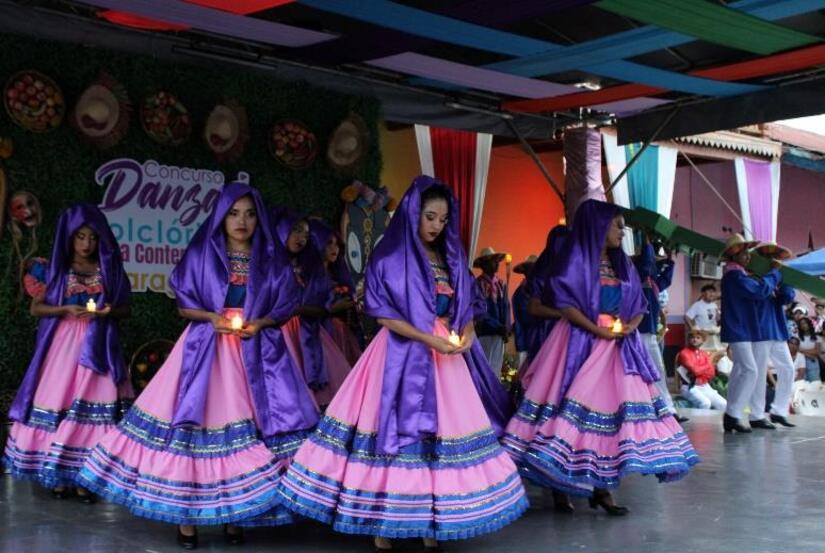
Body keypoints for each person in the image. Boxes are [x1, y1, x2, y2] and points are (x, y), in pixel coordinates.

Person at [277, 176, 527, 551]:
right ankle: (385, 520)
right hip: (400, 353)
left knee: (439, 440)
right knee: (393, 432)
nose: (436, 225)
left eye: (443, 219)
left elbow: (466, 309)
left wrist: (467, 333)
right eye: (430, 216)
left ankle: (430, 520)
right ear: (413, 213)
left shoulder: (450, 259)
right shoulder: (391, 256)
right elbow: (383, 314)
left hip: (445, 361)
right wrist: (429, 339)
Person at [78, 183, 320, 549]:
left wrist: (263, 323)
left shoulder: (271, 258)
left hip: (257, 352)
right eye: (234, 213)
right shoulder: (202, 253)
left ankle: (238, 516)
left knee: (254, 430)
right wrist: (210, 317)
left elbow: (286, 303)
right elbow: (184, 304)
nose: (241, 221)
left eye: (250, 214)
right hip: (208, 349)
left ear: (259, 219)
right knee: (196, 430)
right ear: (221, 216)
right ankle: (187, 520)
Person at [502, 200, 698, 516]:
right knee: (571, 413)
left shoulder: (623, 265)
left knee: (608, 420)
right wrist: (597, 329)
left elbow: (639, 303)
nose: (622, 231)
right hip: (579, 344)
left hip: (617, 348)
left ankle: (603, 488)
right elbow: (565, 304)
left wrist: (629, 327)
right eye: (616, 224)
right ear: (598, 226)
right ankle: (561, 486)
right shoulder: (577, 261)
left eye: (622, 225)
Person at [4, 204, 132, 501]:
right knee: (59, 403)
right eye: (80, 237)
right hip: (64, 346)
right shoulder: (56, 269)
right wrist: (64, 309)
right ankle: (58, 474)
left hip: (99, 345)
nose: (87, 244)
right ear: (70, 237)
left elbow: (125, 309)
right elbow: (36, 308)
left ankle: (87, 477)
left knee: (93, 409)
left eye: (93, 237)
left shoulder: (109, 269)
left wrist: (109, 312)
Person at [274, 210, 351, 408]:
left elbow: (321, 306)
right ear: (283, 229)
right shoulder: (270, 263)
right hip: (280, 330)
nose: (301, 237)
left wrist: (300, 309)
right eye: (296, 230)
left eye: (306, 234)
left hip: (309, 330)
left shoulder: (310, 267)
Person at [720, 234, 783, 433]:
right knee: (750, 370)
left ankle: (732, 414)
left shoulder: (737, 275)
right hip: (739, 328)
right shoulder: (735, 276)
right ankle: (732, 415)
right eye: (744, 253)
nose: (748, 257)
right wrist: (774, 274)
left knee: (741, 370)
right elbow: (759, 291)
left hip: (742, 328)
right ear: (734, 255)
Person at [634, 237, 685, 422]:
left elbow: (666, 279)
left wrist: (670, 260)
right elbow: (646, 265)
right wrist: (647, 240)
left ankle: (667, 409)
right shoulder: (639, 275)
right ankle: (661, 409)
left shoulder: (653, 283)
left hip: (649, 331)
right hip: (638, 331)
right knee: (649, 371)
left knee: (658, 370)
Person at [752, 242, 797, 427]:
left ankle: (778, 411)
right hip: (760, 329)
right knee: (759, 372)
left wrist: (785, 280)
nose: (774, 260)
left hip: (777, 329)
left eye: (776, 257)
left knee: (788, 369)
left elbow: (787, 298)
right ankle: (756, 415)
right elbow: (761, 292)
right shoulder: (753, 276)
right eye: (770, 257)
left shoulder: (776, 276)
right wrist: (774, 274)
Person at [308, 218, 363, 366]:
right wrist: (332, 308)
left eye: (337, 244)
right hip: (320, 335)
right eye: (329, 243)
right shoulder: (308, 276)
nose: (335, 248)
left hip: (343, 335)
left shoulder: (338, 273)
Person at [523, 225, 569, 367]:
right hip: (546, 330)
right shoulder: (542, 273)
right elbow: (533, 307)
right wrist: (563, 314)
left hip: (568, 330)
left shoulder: (571, 270)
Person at [473, 246, 511, 376]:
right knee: (484, 367)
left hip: (499, 333)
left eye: (497, 261)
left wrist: (506, 327)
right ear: (483, 265)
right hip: (485, 332)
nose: (496, 264)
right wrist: (497, 326)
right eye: (493, 261)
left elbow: (506, 306)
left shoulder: (501, 284)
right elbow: (479, 311)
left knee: (496, 366)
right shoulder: (478, 284)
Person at [676, 329, 727, 410]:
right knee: (705, 403)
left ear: (703, 340)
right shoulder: (684, 353)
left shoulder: (704, 354)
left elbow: (711, 373)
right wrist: (708, 364)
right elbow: (695, 371)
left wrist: (701, 369)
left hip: (705, 386)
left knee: (723, 404)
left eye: (698, 338)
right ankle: (699, 419)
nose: (695, 340)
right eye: (692, 337)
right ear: (689, 339)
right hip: (690, 386)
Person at [512, 254, 537, 367]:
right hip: (526, 340)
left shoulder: (533, 290)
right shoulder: (523, 292)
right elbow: (527, 316)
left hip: (533, 339)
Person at [685, 284, 722, 351]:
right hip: (702, 335)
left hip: (712, 335)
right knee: (702, 351)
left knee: (712, 352)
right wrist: (692, 329)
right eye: (709, 291)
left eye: (713, 292)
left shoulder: (714, 305)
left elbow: (718, 319)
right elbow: (686, 317)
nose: (712, 294)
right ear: (703, 293)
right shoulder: (697, 305)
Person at [798, 317, 821, 383]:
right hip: (801, 362)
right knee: (802, 384)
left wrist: (802, 350)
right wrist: (811, 353)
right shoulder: (797, 337)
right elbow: (797, 351)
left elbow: (817, 352)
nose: (804, 325)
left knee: (815, 384)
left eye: (805, 323)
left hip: (813, 362)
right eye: (801, 324)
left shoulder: (817, 337)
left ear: (809, 324)